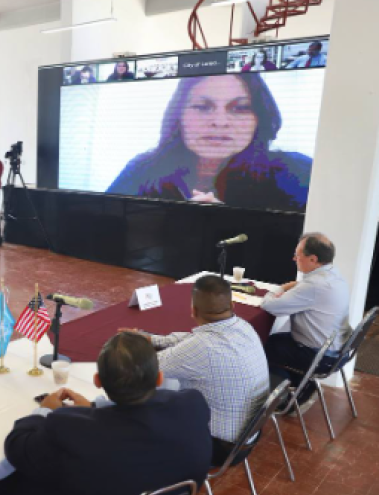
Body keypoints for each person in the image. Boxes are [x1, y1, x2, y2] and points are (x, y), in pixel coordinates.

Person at [0, 332, 212, 495]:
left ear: (97, 381)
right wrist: (93, 409)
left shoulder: (70, 429)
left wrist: (44, 410)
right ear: (158, 378)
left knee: (14, 484)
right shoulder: (193, 405)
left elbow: (17, 447)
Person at [106, 74, 312, 213]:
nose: (220, 122)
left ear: (260, 117)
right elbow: (102, 228)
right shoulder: (143, 168)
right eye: (202, 107)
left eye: (239, 108)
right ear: (179, 117)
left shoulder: (297, 171)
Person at [124, 275, 269, 466]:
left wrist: (126, 349)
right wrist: (152, 339)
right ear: (232, 306)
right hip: (247, 436)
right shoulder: (244, 326)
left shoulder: (203, 347)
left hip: (218, 447)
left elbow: (147, 367)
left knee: (144, 413)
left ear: (193, 310)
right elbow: (190, 339)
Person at [262, 233, 350, 402]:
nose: (294, 258)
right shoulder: (333, 274)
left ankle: (289, 396)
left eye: (298, 254)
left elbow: (270, 306)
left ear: (313, 259)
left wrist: (279, 288)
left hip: (320, 357)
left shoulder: (313, 285)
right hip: (338, 350)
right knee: (276, 340)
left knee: (262, 347)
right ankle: (302, 385)